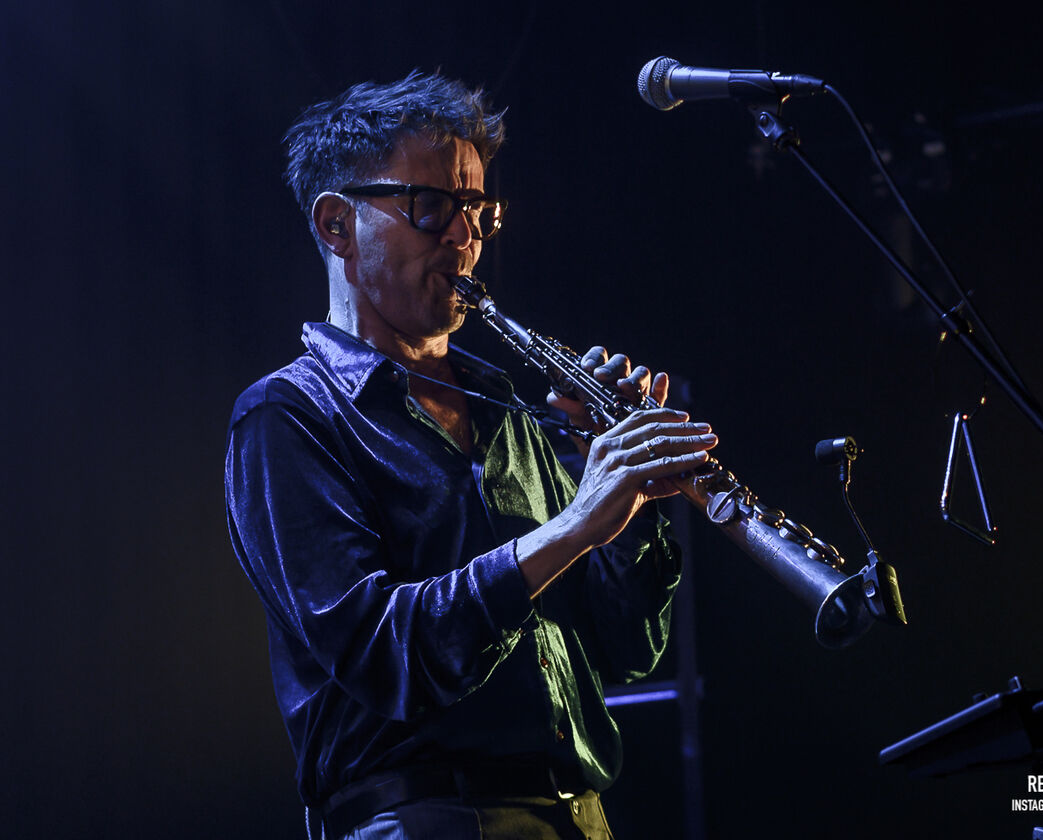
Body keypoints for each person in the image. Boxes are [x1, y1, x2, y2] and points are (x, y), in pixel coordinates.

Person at [224, 70, 717, 840]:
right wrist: (579, 523)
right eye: (431, 208)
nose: (466, 237)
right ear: (335, 225)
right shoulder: (286, 417)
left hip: (580, 818)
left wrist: (634, 506)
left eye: (478, 210)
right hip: (420, 819)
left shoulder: (514, 412)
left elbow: (626, 651)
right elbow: (385, 653)